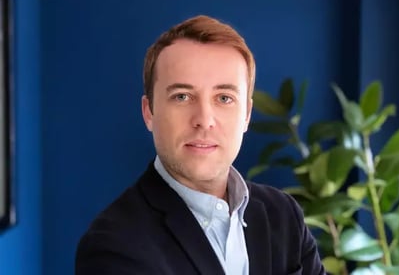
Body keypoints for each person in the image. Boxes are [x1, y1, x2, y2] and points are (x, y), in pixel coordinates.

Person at [75, 14, 325, 275]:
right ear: (149, 112)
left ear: (247, 115)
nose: (204, 120)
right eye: (182, 96)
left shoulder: (284, 215)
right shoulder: (113, 245)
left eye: (224, 98)